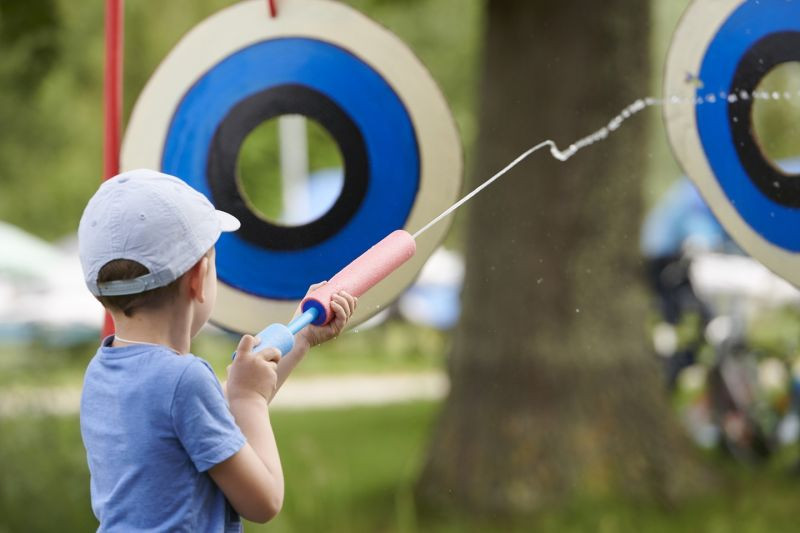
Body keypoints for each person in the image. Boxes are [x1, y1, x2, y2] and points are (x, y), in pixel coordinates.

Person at [77, 169, 357, 531]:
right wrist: (249, 399)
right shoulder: (185, 380)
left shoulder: (102, 371)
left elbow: (205, 422)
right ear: (198, 278)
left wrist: (299, 340)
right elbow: (264, 500)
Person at [640, 177, 729, 389]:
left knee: (677, 312)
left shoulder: (691, 188)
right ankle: (679, 361)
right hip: (666, 256)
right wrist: (705, 240)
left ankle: (682, 357)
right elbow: (698, 224)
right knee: (684, 310)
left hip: (661, 254)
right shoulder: (699, 192)